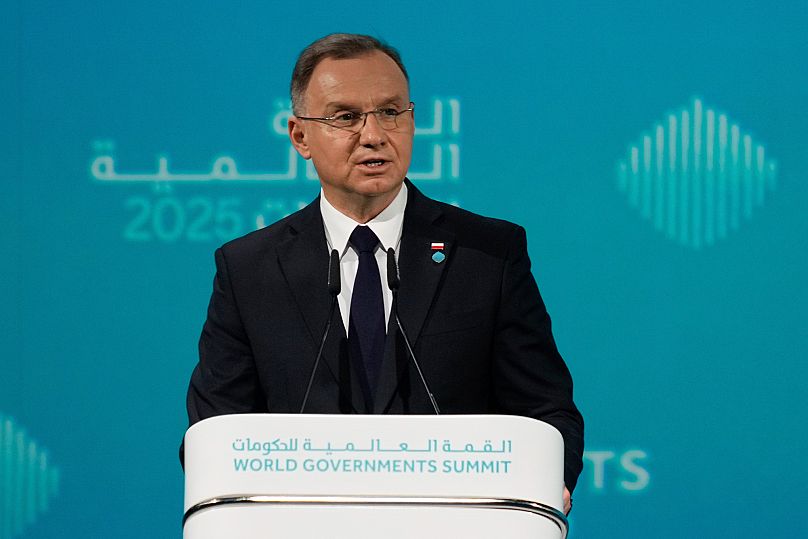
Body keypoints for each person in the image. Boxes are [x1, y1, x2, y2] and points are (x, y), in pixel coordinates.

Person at [185, 33, 583, 513]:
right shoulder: (249, 269)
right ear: (300, 137)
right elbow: (215, 430)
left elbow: (545, 410)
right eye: (346, 117)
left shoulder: (487, 254)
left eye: (391, 112)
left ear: (412, 121)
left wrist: (545, 484)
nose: (373, 135)